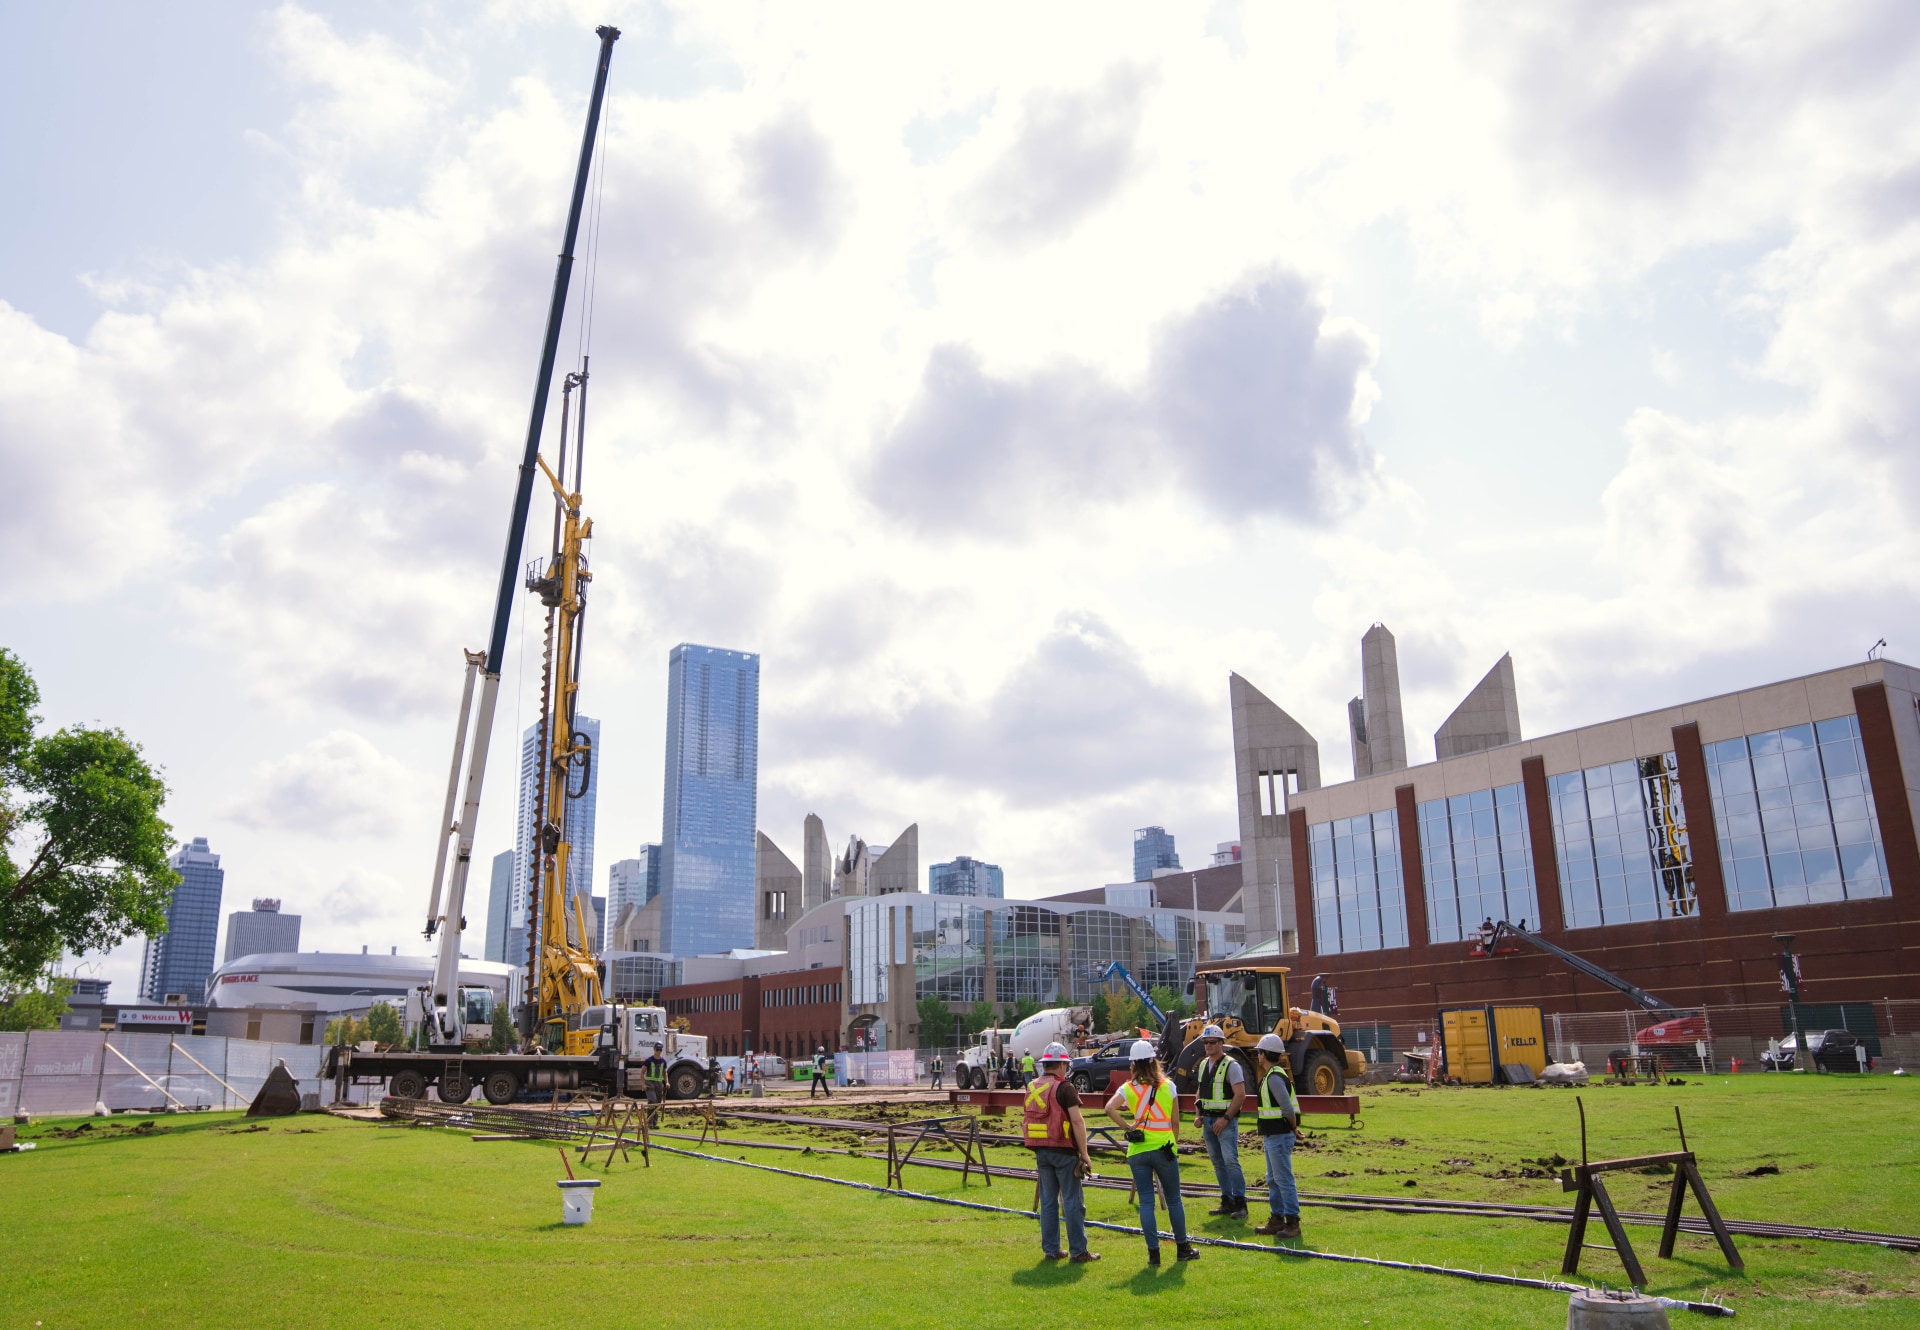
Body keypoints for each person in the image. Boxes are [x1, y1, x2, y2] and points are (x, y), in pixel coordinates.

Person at [1105, 1039, 1199, 1266]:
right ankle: (1182, 1249)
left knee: (1146, 1202)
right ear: (1154, 1061)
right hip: (1164, 1149)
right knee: (1174, 1200)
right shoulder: (1169, 1086)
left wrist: (1128, 1127)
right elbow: (1175, 1122)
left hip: (1138, 1151)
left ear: (1133, 1065)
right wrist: (1171, 1143)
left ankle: (1153, 1254)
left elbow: (1109, 1108)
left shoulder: (1128, 1088)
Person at [1024, 1042, 1099, 1264]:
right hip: (1064, 1151)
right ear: (1062, 1065)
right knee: (1072, 1201)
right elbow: (1077, 1121)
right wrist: (1084, 1153)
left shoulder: (1032, 1086)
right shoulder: (1064, 1087)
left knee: (1048, 1202)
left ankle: (1051, 1250)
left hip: (1041, 1150)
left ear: (1045, 1064)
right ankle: (1078, 1251)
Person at [1249, 1033, 1302, 1238]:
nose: (1258, 1056)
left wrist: (1292, 1127)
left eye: (1259, 1053)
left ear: (1263, 1054)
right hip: (1275, 1135)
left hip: (1278, 1136)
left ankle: (1292, 1222)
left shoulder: (1273, 1078)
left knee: (1282, 1179)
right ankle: (1278, 1219)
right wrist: (1294, 1128)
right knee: (1273, 1178)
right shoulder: (1276, 1075)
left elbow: (1287, 1109)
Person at [1194, 1025, 1248, 1220]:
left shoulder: (1231, 1065)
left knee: (1230, 1161)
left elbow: (1240, 1095)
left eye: (1212, 1042)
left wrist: (1225, 1119)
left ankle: (1240, 1203)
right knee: (1218, 1162)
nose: (1208, 1045)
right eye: (1205, 1042)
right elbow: (1200, 1093)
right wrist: (1198, 1115)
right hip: (1208, 1120)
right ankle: (1227, 1201)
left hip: (1224, 1121)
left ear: (1221, 1043)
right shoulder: (1202, 1065)